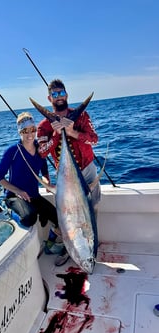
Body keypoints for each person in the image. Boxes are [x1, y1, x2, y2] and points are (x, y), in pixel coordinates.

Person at [37, 79, 101, 259]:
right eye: (55, 94)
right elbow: (42, 153)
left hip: (87, 170)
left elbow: (94, 139)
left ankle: (90, 244)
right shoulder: (44, 126)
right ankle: (70, 246)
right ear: (50, 98)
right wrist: (57, 134)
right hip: (65, 175)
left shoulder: (81, 116)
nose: (59, 97)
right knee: (67, 214)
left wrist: (71, 131)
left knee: (92, 207)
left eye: (61, 93)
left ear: (66, 95)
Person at [0, 112, 68, 265]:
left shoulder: (39, 149)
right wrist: (18, 191)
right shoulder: (12, 151)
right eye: (24, 131)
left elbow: (44, 169)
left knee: (61, 220)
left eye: (32, 130)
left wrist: (47, 181)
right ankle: (8, 210)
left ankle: (49, 245)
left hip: (34, 196)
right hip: (14, 197)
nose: (30, 134)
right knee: (29, 218)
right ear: (19, 132)